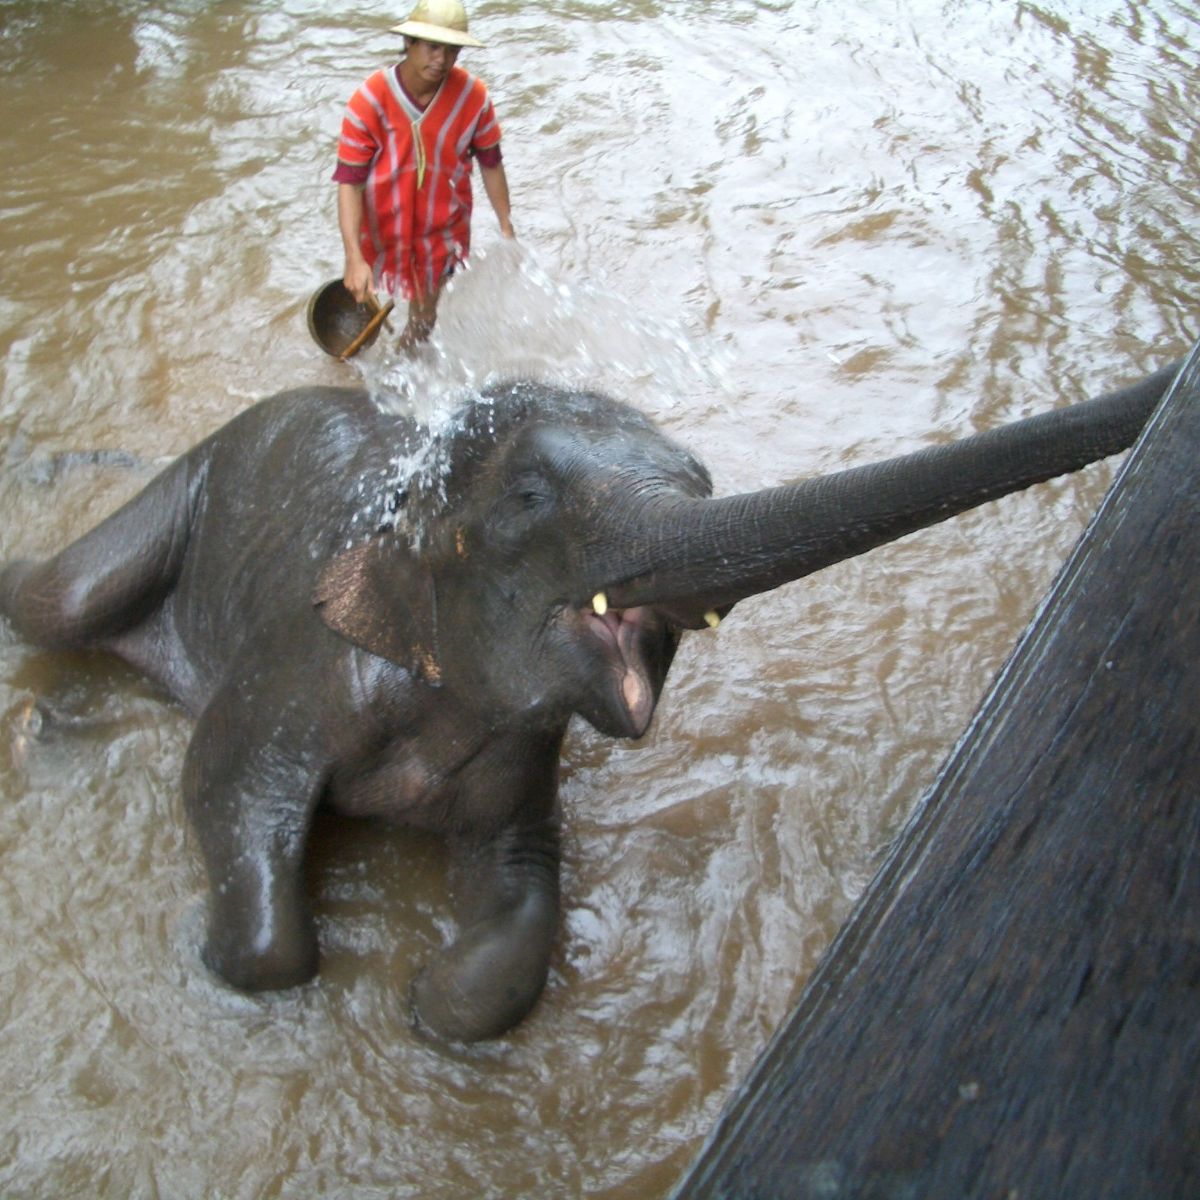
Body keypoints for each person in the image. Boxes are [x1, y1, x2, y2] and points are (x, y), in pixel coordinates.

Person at [333, 0, 515, 350]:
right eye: (432, 47)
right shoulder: (370, 100)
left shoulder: (473, 98)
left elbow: (491, 162)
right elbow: (350, 183)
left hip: (442, 228)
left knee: (424, 317)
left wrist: (506, 225)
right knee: (362, 289)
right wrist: (353, 257)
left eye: (451, 50)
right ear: (410, 43)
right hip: (382, 223)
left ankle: (404, 367)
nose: (441, 61)